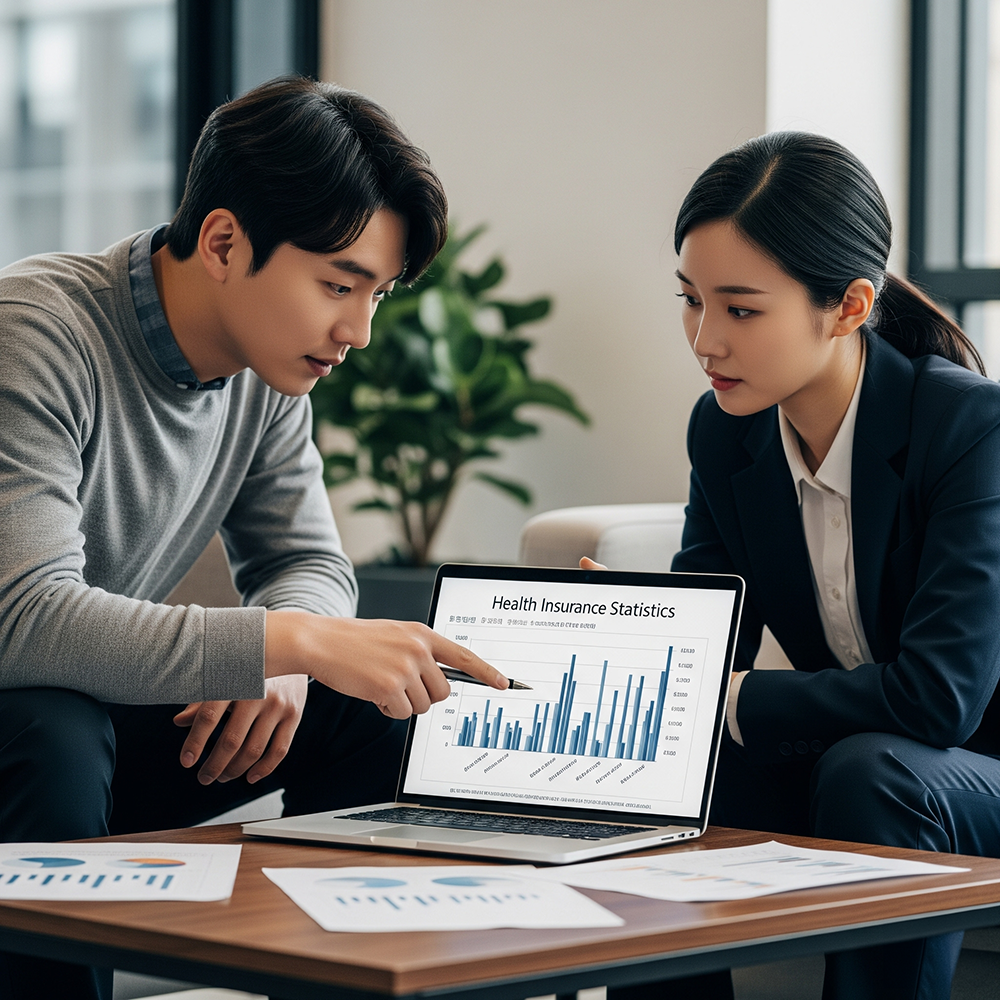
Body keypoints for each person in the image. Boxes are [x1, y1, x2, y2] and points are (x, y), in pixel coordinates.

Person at [0, 77, 507, 1000]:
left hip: (95, 733)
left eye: (378, 295)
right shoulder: (35, 334)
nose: (356, 330)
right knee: (53, 726)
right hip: (29, 728)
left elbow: (304, 562)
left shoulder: (267, 373)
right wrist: (291, 641)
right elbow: (24, 621)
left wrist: (283, 654)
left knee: (376, 703)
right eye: (337, 285)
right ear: (226, 242)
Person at [596, 132, 1000, 1000]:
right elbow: (709, 636)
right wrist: (625, 634)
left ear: (849, 306)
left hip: (970, 765)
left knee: (872, 771)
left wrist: (730, 696)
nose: (705, 340)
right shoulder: (727, 431)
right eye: (690, 300)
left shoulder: (970, 429)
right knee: (666, 772)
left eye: (741, 310)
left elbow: (941, 699)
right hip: (868, 759)